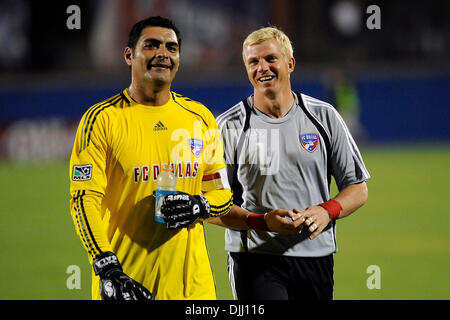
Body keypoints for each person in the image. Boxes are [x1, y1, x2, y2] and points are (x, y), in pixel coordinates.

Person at [69, 16, 236, 300]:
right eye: (152, 45)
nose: (163, 54)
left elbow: (222, 194)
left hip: (194, 291)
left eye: (171, 48)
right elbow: (83, 200)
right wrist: (106, 266)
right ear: (129, 55)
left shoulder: (200, 118)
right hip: (128, 285)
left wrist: (200, 205)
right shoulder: (101, 120)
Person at [211, 26, 370, 300]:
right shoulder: (229, 126)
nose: (262, 68)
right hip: (255, 260)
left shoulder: (324, 116)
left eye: (270, 59)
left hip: (316, 256)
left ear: (290, 63)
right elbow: (210, 204)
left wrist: (326, 211)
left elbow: (357, 188)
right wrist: (262, 222)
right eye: (253, 62)